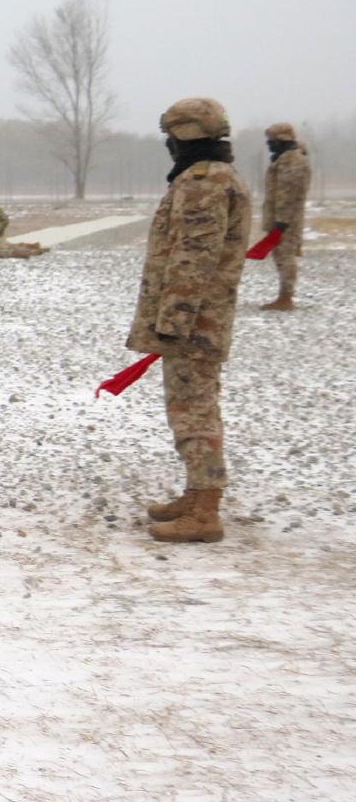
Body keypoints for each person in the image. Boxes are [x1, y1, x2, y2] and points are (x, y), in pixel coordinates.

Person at [130, 98, 250, 543]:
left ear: (184, 135)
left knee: (192, 409)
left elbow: (193, 257)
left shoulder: (203, 182)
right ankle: (199, 494)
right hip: (200, 317)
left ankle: (205, 510)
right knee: (195, 406)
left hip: (193, 321)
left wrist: (173, 320)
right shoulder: (210, 177)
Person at [261, 121, 312, 310]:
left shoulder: (293, 162)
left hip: (286, 219)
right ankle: (284, 295)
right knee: (280, 254)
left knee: (285, 255)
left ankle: (286, 296)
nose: (269, 144)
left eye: (271, 140)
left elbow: (288, 193)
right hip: (281, 217)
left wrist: (281, 222)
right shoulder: (283, 159)